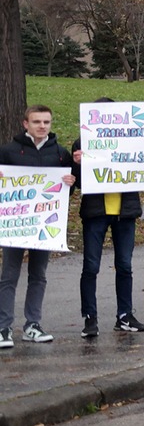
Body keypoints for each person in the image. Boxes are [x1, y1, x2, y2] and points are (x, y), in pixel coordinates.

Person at [0, 104, 79, 347]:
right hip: (16, 224)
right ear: (26, 124)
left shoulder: (60, 153)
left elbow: (67, 189)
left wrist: (71, 180)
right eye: (36, 122)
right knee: (9, 275)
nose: (42, 126)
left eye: (46, 122)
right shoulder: (8, 151)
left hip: (44, 225)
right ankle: (3, 328)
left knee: (38, 275)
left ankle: (32, 324)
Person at [69, 99, 144, 338]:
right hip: (96, 213)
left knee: (125, 265)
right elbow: (79, 183)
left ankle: (124, 315)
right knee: (90, 266)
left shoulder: (135, 140)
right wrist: (77, 165)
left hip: (125, 212)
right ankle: (90, 317)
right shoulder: (83, 143)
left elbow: (143, 172)